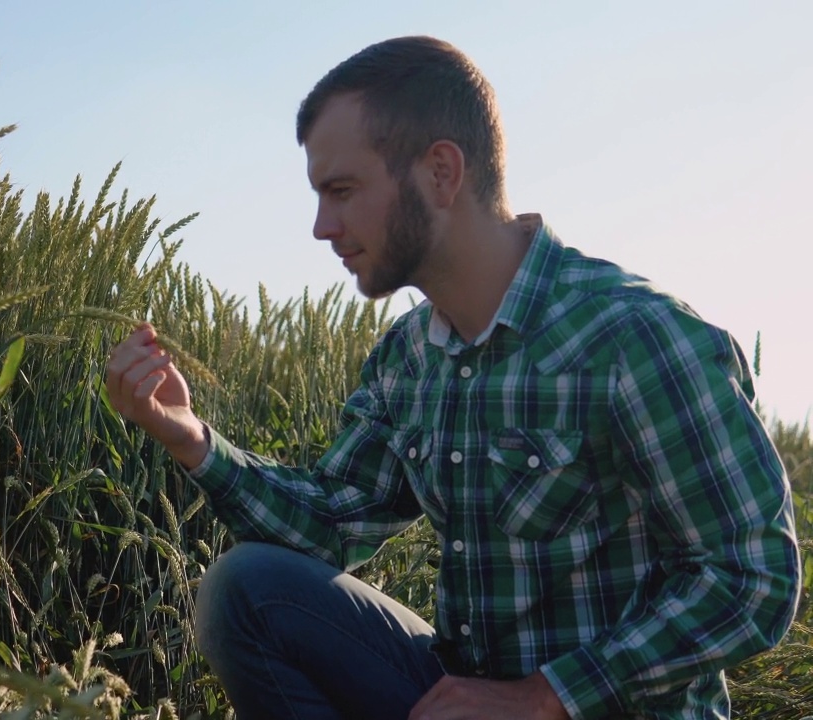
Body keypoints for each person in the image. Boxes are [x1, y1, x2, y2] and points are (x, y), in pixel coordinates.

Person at [104, 36, 801, 720]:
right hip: (456, 698)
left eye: (342, 190)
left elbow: (753, 576)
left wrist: (547, 698)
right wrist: (192, 439)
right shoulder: (407, 357)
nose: (321, 226)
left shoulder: (633, 338)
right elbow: (331, 521)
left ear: (441, 171)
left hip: (597, 708)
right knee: (247, 590)